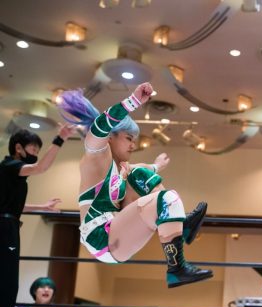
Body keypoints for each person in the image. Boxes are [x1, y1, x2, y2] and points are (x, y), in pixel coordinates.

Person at [58, 83, 212, 288]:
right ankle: (177, 268)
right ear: (110, 137)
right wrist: (133, 101)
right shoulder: (95, 157)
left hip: (116, 230)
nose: (133, 145)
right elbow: (99, 127)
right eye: (128, 138)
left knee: (141, 174)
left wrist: (156, 166)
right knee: (167, 199)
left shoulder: (121, 168)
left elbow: (142, 168)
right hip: (99, 236)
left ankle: (181, 229)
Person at [0, 126, 76, 307]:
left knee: (7, 285)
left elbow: (12, 205)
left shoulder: (9, 172)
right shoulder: (10, 165)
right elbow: (41, 167)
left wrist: (41, 207)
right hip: (5, 228)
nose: (35, 152)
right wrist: (60, 138)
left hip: (9, 225)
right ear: (18, 148)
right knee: (6, 286)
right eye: (33, 148)